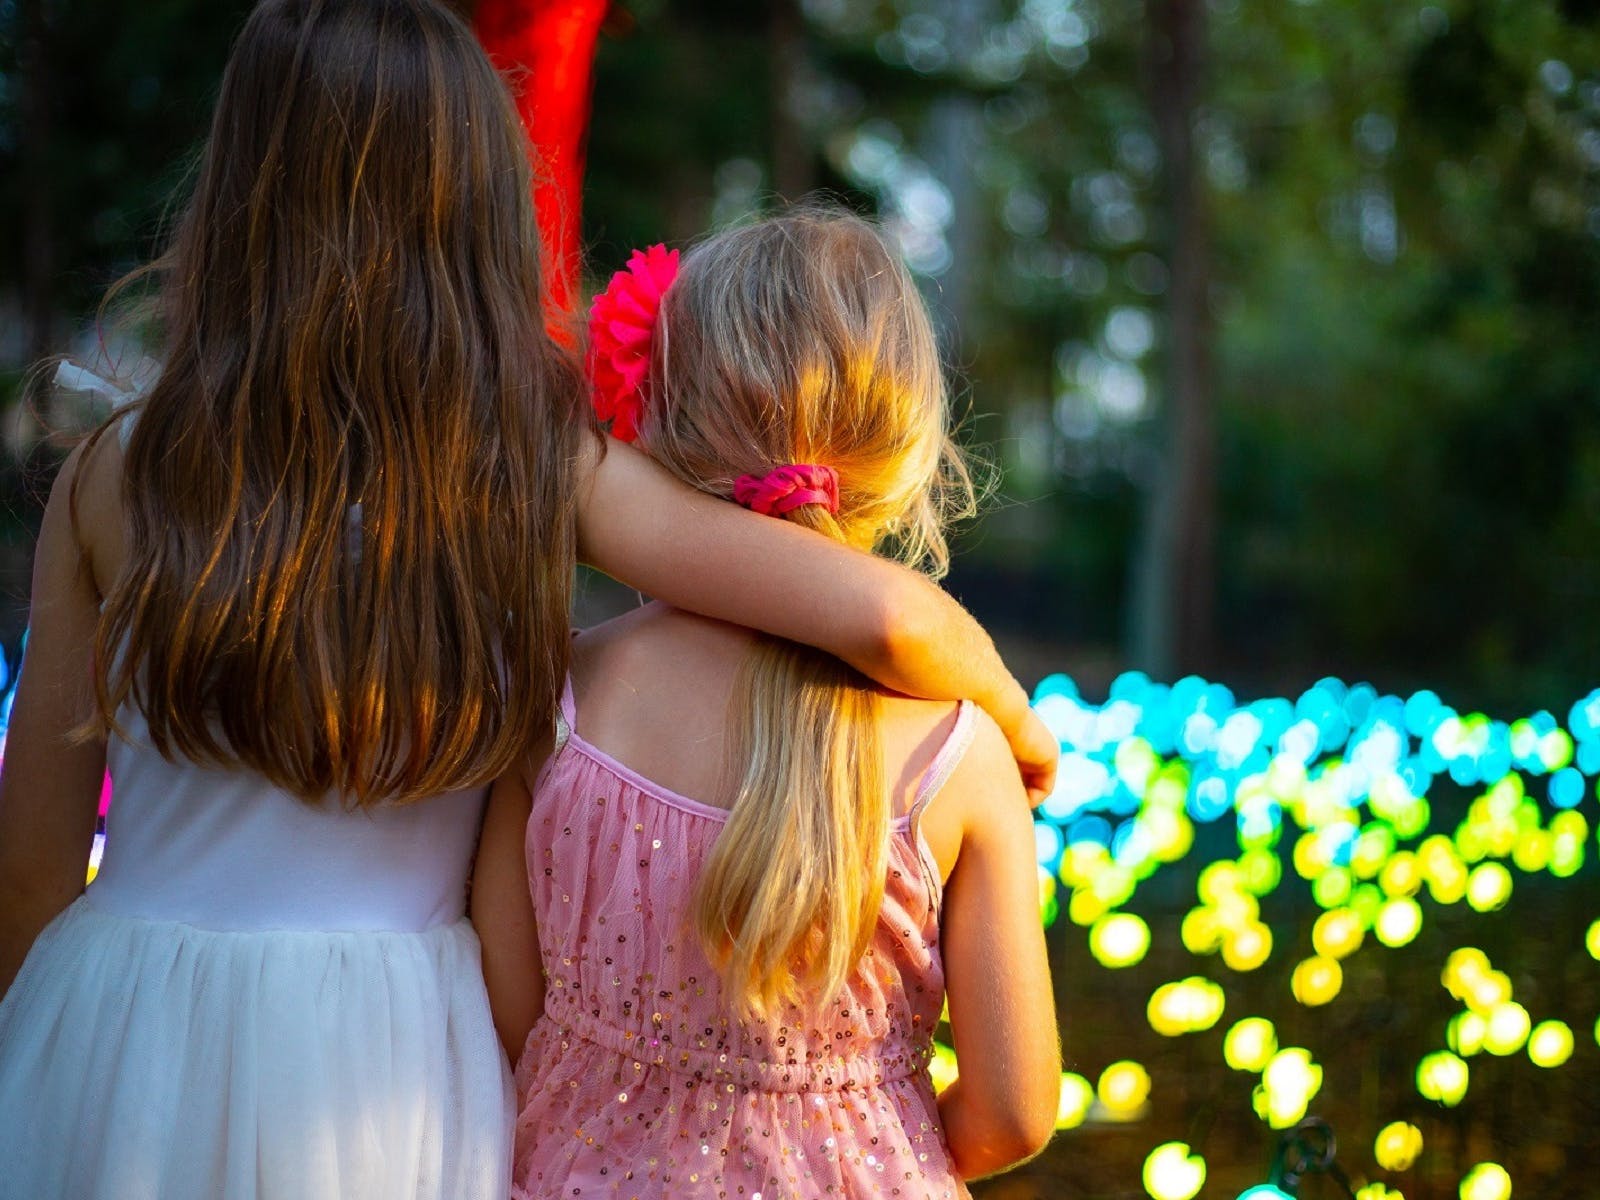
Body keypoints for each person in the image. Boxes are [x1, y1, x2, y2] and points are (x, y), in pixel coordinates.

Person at [0, 6, 1055, 1199]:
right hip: (384, 1059)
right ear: (481, 206)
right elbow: (888, 619)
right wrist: (1011, 724)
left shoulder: (110, 473)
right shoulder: (530, 463)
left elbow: (30, 874)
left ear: (239, 184)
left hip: (124, 1032)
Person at [476, 208, 1060, 1200]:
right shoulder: (961, 757)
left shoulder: (557, 708)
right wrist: (873, 1150)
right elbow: (1013, 1113)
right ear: (911, 439)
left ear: (653, 402)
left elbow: (506, 1011)